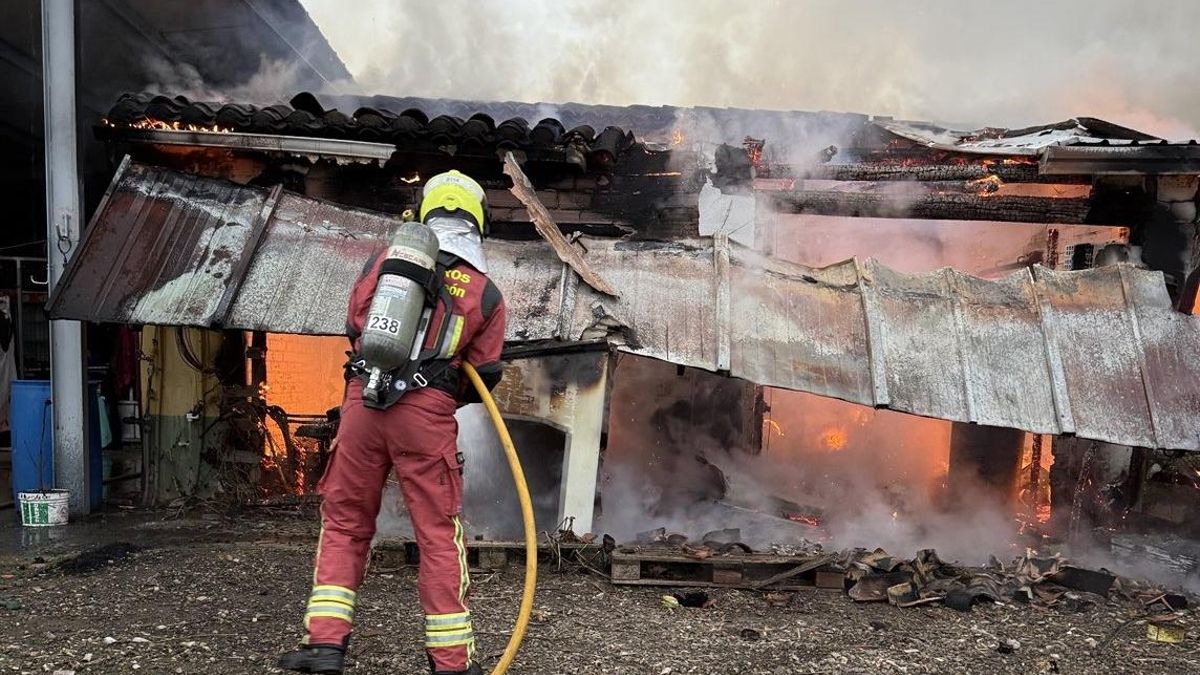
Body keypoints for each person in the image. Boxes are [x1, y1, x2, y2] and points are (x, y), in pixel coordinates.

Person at [279, 171, 506, 675]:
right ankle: (450, 663)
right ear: (478, 219)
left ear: (424, 213)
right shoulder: (485, 291)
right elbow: (486, 372)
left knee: (344, 524)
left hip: (363, 404)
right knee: (436, 534)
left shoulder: (384, 263)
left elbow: (356, 325)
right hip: (425, 418)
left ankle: (324, 648)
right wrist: (440, 390)